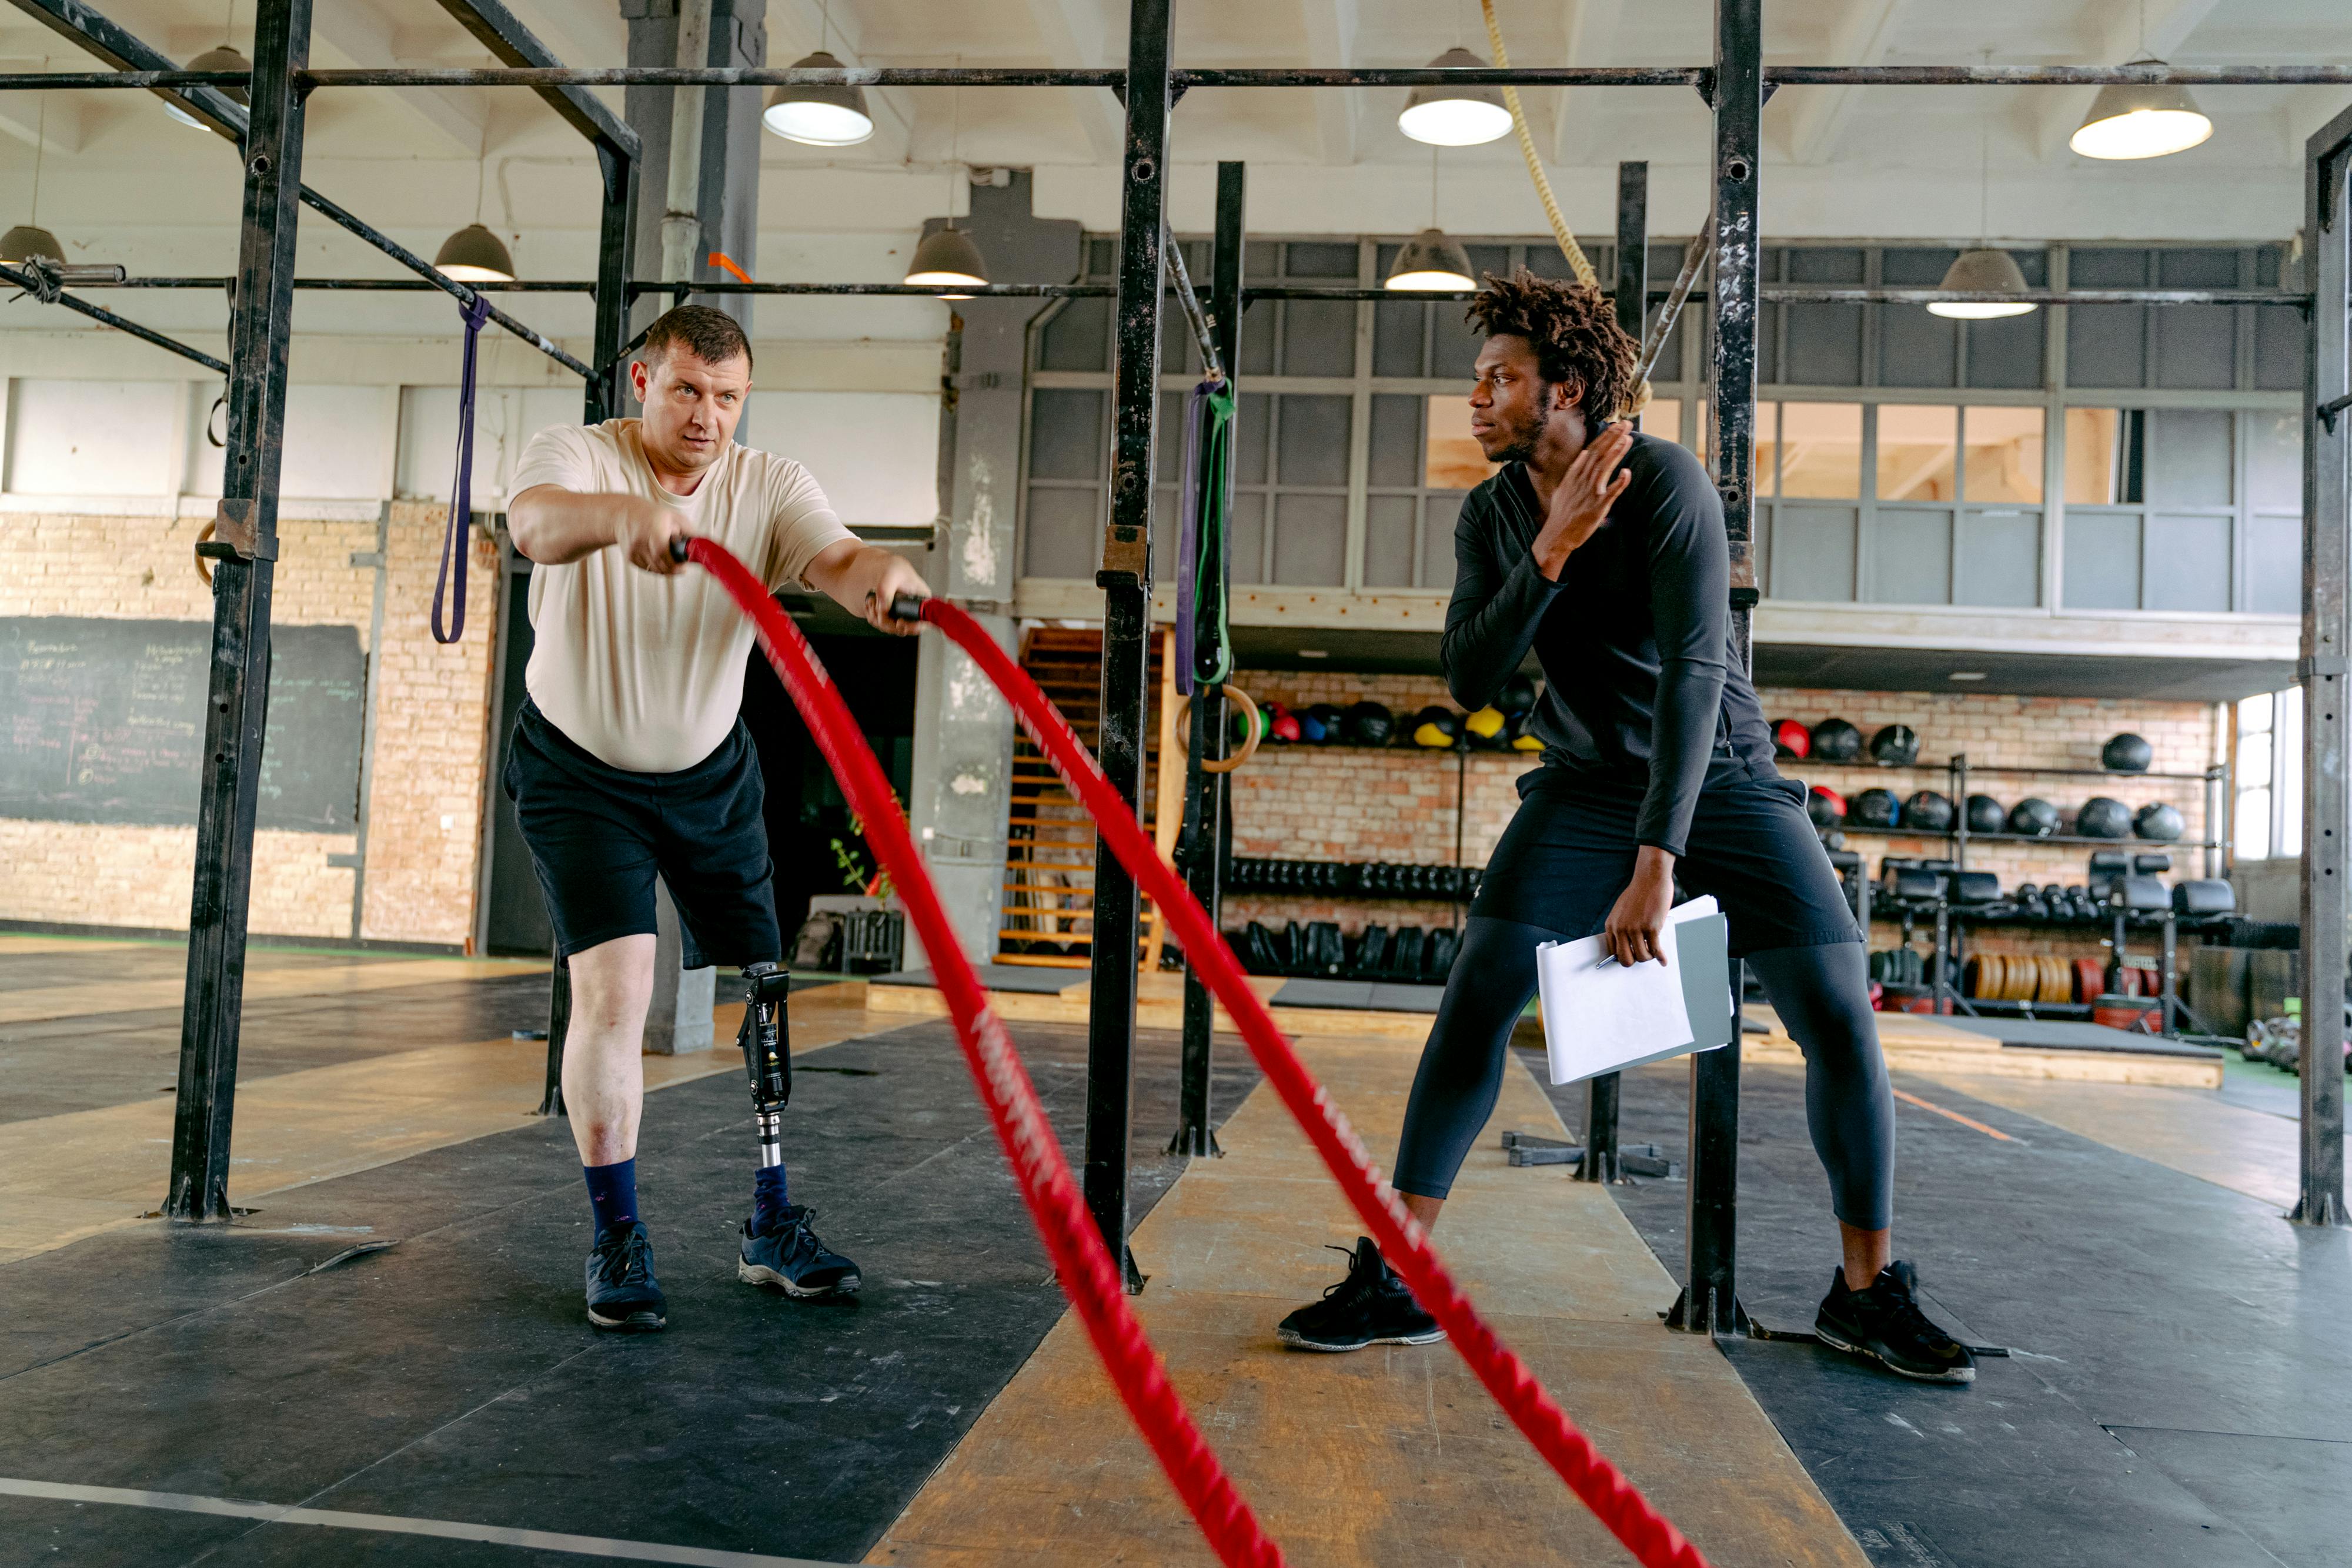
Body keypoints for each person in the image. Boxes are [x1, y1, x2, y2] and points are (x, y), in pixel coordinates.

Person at [1273, 270, 1973, 1385]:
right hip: (1587, 782)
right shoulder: (1495, 514)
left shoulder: (1668, 485)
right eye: (1477, 379)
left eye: (1499, 379)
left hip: (1727, 777)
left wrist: (1659, 865)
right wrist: (1547, 551)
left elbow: (1700, 672)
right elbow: (1467, 677)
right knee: (1480, 991)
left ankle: (1865, 1293)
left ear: (1570, 387)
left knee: (1838, 1008)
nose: (1477, 398)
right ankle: (1398, 1272)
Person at [505, 303, 926, 1332]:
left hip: (708, 771)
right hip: (581, 770)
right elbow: (532, 524)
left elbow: (834, 557)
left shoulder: (767, 484)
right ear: (643, 382)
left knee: (768, 980)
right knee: (616, 991)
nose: (708, 416)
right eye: (688, 390)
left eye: (728, 397)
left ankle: (771, 1223)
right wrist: (624, 520)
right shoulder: (581, 457)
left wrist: (886, 579)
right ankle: (616, 1237)